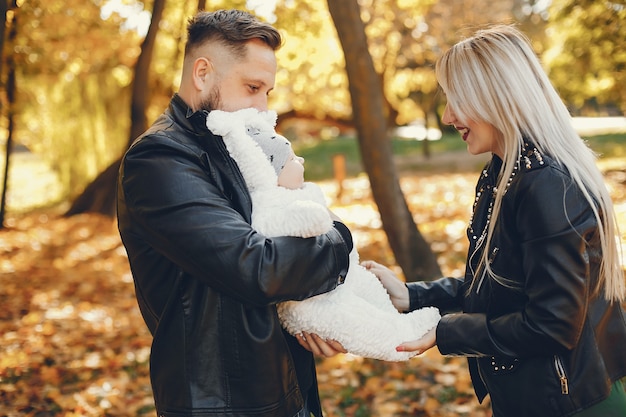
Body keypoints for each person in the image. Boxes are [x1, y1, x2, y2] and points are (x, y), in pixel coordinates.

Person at [364, 25, 626, 416]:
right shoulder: (501, 174)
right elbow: (501, 287)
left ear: (496, 97)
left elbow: (552, 326)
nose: (449, 116)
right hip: (530, 397)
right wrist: (411, 295)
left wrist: (445, 331)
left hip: (572, 402)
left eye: (457, 100)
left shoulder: (546, 186)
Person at [116, 9, 353, 417]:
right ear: (203, 74)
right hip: (219, 401)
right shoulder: (159, 159)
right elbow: (259, 267)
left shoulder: (234, 146)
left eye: (268, 93)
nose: (263, 109)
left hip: (284, 385)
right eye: (252, 88)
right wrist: (340, 237)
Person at [206, 107, 441, 361]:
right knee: (354, 322)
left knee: (371, 290)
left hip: (338, 279)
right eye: (292, 159)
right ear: (271, 173)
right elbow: (298, 223)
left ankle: (398, 319)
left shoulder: (297, 192)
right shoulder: (267, 206)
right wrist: (322, 221)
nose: (302, 161)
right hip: (313, 303)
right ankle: (398, 341)